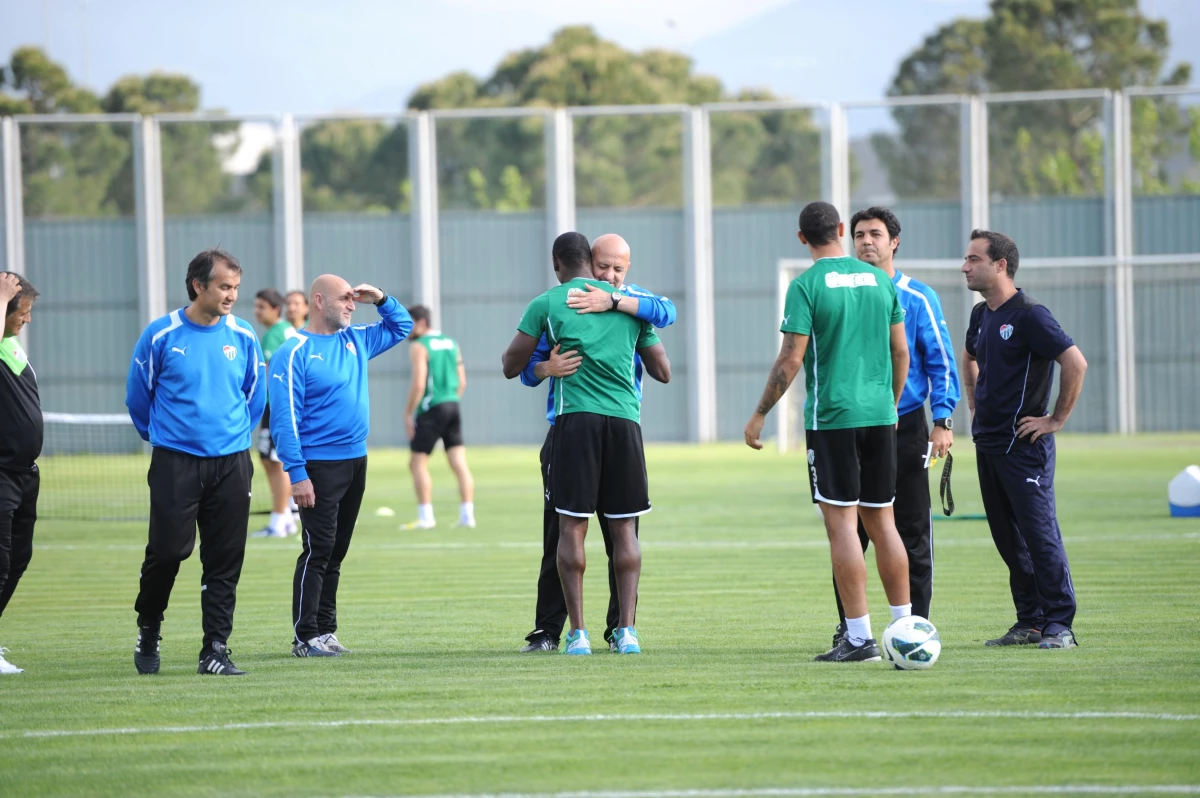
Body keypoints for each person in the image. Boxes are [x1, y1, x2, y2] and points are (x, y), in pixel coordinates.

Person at [743, 201, 912, 663]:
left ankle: (859, 638)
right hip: (880, 417)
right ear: (841, 229)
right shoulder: (882, 279)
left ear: (802, 238)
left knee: (842, 525)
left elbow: (791, 359)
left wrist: (760, 414)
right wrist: (890, 404)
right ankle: (906, 626)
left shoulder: (806, 286)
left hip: (833, 420)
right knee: (883, 522)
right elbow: (902, 353)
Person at [502, 232, 670, 656]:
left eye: (618, 270)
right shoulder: (635, 312)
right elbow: (664, 369)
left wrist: (616, 301)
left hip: (574, 426)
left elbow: (510, 365)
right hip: (622, 427)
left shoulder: (570, 302)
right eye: (604, 268)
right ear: (590, 261)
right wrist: (547, 367)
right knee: (620, 530)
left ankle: (584, 634)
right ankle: (606, 631)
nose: (610, 276)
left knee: (568, 530)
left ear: (556, 262)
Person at [126, 249, 266, 676]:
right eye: (224, 286)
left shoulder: (243, 336)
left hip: (231, 464)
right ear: (198, 285)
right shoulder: (161, 334)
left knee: (225, 558)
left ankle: (215, 650)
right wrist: (168, 441)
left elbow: (254, 396)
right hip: (175, 464)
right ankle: (149, 627)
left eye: (236, 287)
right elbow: (138, 399)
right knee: (168, 552)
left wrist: (233, 440)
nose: (232, 296)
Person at [826, 207, 960, 644]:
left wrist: (942, 420)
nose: (867, 241)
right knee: (849, 532)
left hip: (903, 425)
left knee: (911, 528)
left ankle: (913, 627)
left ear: (894, 242)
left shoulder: (917, 297)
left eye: (876, 234)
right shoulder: (840, 294)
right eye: (860, 234)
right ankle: (852, 629)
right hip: (850, 425)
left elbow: (940, 360)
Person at [269, 275, 412, 657]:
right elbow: (285, 419)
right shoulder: (294, 350)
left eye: (353, 300)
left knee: (336, 551)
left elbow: (403, 326)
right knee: (318, 550)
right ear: (319, 301)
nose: (351, 305)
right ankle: (305, 636)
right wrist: (297, 474)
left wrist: (380, 297)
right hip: (318, 465)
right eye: (344, 299)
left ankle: (326, 631)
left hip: (355, 461)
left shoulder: (356, 340)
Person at [961, 229, 1087, 650]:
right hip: (988, 445)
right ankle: (1029, 621)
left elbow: (1075, 362)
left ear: (1000, 265)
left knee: (1039, 535)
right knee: (1009, 541)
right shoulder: (982, 315)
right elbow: (970, 356)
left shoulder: (1031, 314)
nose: (965, 267)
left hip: (1024, 449)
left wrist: (1056, 419)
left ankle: (1059, 624)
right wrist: (974, 403)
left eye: (973, 259)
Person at [399, 305, 475, 530]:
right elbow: (462, 381)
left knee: (417, 462)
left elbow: (420, 383)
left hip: (432, 407)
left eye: (408, 323)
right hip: (453, 404)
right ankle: (467, 516)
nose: (406, 329)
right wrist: (451, 401)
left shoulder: (419, 346)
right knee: (459, 463)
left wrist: (408, 413)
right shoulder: (451, 343)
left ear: (421, 322)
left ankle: (426, 517)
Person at [0, 272, 41, 674]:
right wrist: (1, 296)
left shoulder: (11, 348)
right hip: (1, 474)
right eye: (22, 312)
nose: (26, 320)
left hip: (25, 474)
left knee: (19, 558)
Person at [252, 288, 298, 538]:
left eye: (261, 307)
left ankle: (279, 521)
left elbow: (266, 374)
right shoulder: (286, 332)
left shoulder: (275, 334)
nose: (256, 312)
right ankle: (288, 518)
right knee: (268, 459)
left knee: (277, 462)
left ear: (275, 309)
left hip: (277, 407)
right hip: (280, 406)